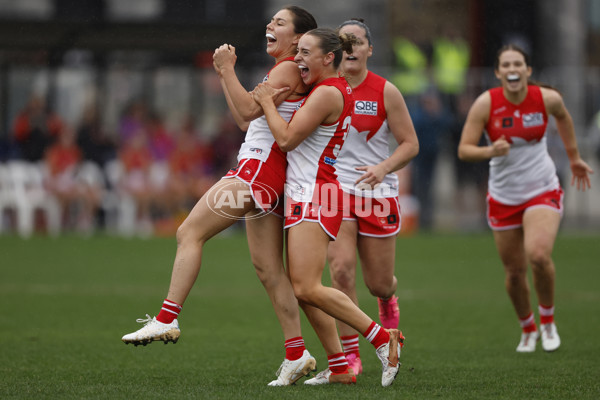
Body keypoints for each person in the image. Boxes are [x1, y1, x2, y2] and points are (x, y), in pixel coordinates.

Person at [121, 6, 320, 387]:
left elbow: (246, 108)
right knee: (268, 270)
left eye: (279, 22)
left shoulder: (287, 68)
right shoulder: (287, 69)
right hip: (269, 174)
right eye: (271, 19)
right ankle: (296, 353)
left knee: (189, 233)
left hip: (256, 170)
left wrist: (227, 69)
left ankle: (167, 317)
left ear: (297, 39)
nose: (269, 25)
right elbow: (247, 119)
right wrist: (224, 74)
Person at [252, 27, 404, 387]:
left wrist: (267, 103)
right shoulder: (333, 89)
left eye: (306, 52)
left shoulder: (327, 93)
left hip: (315, 195)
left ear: (328, 58)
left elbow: (287, 140)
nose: (298, 59)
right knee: (304, 286)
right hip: (312, 193)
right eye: (298, 51)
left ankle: (383, 338)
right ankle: (339, 367)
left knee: (306, 287)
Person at [458, 44, 593, 353]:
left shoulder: (546, 99)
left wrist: (574, 158)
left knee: (539, 256)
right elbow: (464, 150)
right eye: (506, 64)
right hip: (504, 196)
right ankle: (528, 328)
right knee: (515, 273)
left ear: (528, 71)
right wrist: (491, 150)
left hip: (542, 188)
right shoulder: (485, 104)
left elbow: (564, 117)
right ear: (498, 72)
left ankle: (548, 322)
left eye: (518, 63)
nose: (512, 69)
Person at [311, 19, 418, 379]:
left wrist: (384, 168)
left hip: (376, 192)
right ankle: (351, 358)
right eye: (345, 42)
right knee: (340, 272)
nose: (352, 47)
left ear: (370, 49)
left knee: (378, 283)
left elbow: (410, 144)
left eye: (358, 41)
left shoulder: (386, 91)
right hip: (332, 189)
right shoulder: (325, 88)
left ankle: (389, 307)